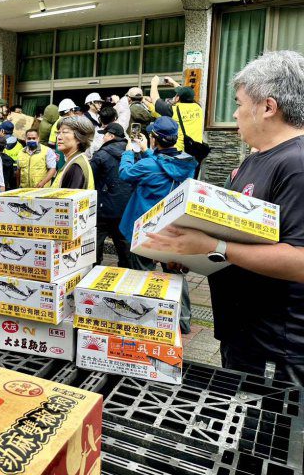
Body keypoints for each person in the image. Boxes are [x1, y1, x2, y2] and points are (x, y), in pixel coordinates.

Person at [142, 51, 304, 382]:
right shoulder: (255, 160)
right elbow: (242, 235)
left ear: (268, 107)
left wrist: (213, 245)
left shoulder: (296, 164)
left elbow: (299, 260)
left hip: (277, 346)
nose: (234, 113)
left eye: (240, 103)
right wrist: (193, 251)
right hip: (244, 333)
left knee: (262, 430)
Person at [118, 116, 197, 333]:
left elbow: (125, 174)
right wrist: (148, 150)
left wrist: (128, 152)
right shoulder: (187, 162)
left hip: (144, 228)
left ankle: (147, 319)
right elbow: (165, 164)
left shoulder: (146, 164)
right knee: (175, 275)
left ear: (154, 138)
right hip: (172, 227)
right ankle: (183, 321)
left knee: (143, 274)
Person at [90, 123, 133, 267]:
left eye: (104, 135)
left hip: (103, 207)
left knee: (96, 241)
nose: (102, 138)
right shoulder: (132, 153)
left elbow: (91, 179)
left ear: (111, 136)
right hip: (126, 207)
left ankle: (93, 272)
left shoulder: (101, 154)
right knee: (124, 244)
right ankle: (127, 274)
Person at [150, 75, 206, 175]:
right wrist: (173, 82)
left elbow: (155, 99)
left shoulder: (174, 110)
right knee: (191, 179)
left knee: (177, 181)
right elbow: (186, 94)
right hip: (196, 151)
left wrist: (154, 84)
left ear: (178, 98)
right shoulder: (198, 107)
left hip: (180, 153)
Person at [51, 116, 95, 190]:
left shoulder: (75, 167)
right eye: (58, 133)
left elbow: (69, 200)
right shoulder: (73, 161)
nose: (59, 137)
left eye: (64, 132)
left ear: (79, 138)